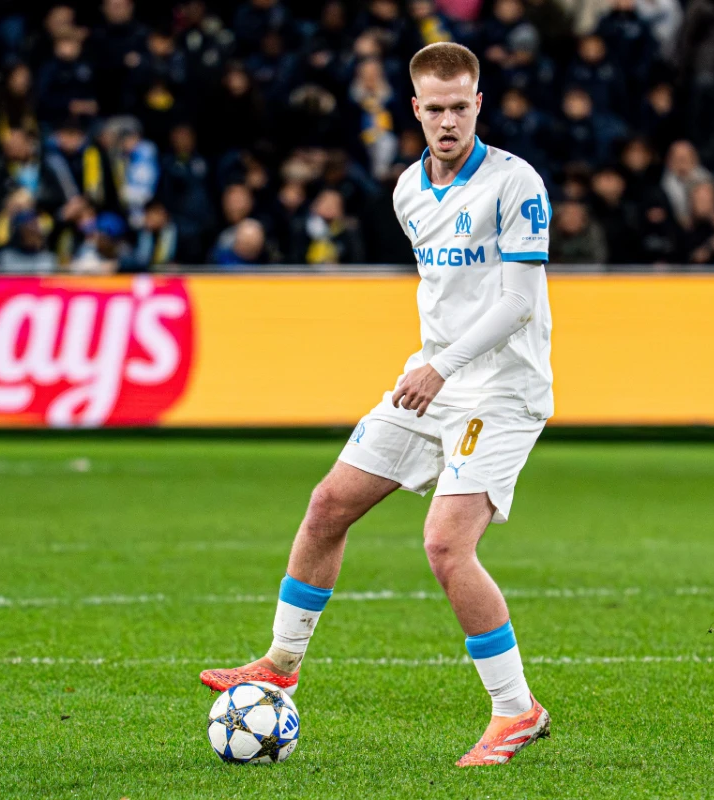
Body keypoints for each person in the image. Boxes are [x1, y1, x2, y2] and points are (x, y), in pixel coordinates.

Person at [200, 42, 553, 768]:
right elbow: (448, 296)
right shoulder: (407, 191)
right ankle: (281, 662)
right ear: (415, 109)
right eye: (437, 109)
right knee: (330, 502)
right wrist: (433, 368)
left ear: (478, 105)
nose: (449, 121)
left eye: (462, 107)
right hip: (432, 381)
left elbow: (518, 302)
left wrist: (442, 367)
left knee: (446, 544)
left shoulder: (517, 184)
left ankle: (516, 711)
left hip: (502, 389)